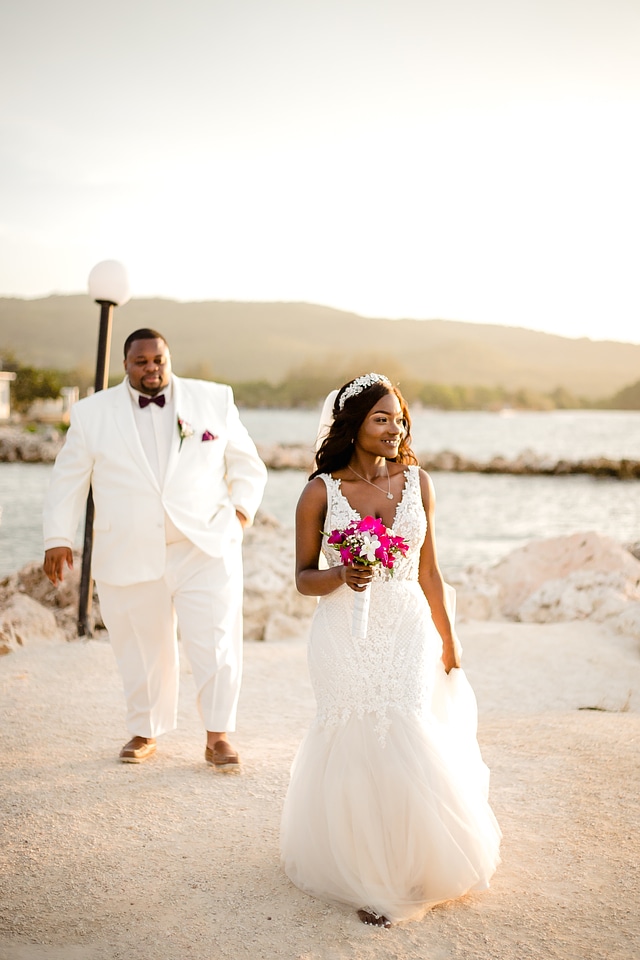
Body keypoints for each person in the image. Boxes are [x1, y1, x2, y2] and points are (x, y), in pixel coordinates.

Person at [280, 373, 501, 926]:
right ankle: (367, 872)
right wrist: (340, 573)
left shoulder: (419, 482)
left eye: (399, 418)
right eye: (381, 418)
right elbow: (304, 578)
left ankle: (414, 861)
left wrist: (449, 639)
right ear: (352, 426)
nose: (394, 428)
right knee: (353, 732)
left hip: (405, 625)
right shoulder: (320, 492)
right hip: (340, 630)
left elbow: (428, 568)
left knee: (402, 724)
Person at [43, 328, 267, 770]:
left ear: (168, 358)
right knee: (140, 646)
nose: (152, 368)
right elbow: (67, 479)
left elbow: (246, 464)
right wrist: (58, 537)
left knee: (216, 640)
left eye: (158, 359)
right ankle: (145, 731)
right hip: (128, 547)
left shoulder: (213, 399)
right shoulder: (91, 414)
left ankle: (218, 736)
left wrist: (238, 518)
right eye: (141, 361)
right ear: (126, 365)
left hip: (204, 544)